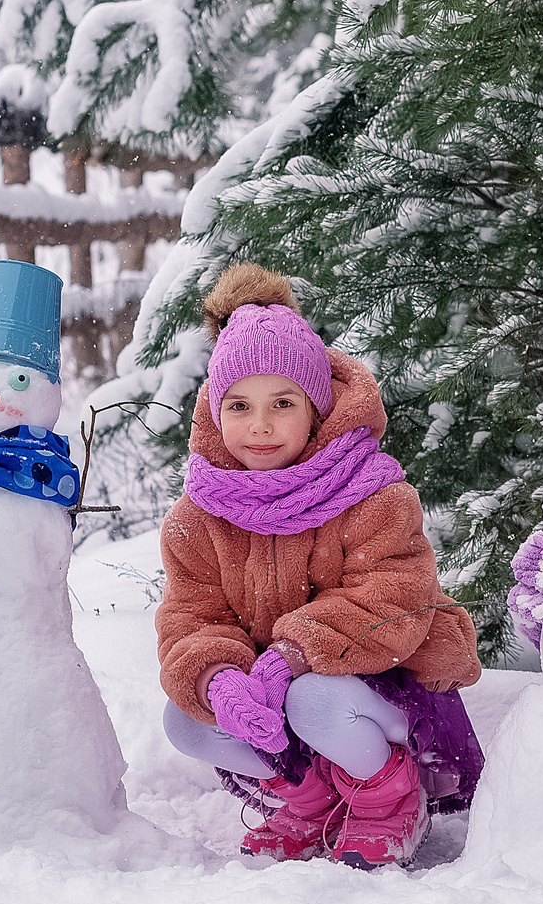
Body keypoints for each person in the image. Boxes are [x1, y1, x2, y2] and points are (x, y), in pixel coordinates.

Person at [154, 264, 483, 868]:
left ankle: (390, 797)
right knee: (187, 718)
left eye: (283, 403)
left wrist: (293, 654)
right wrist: (219, 677)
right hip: (280, 693)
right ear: (214, 409)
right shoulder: (198, 515)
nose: (259, 425)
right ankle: (309, 799)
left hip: (386, 690)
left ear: (317, 408)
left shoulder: (372, 494)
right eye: (239, 404)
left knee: (312, 697)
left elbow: (395, 598)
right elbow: (190, 615)